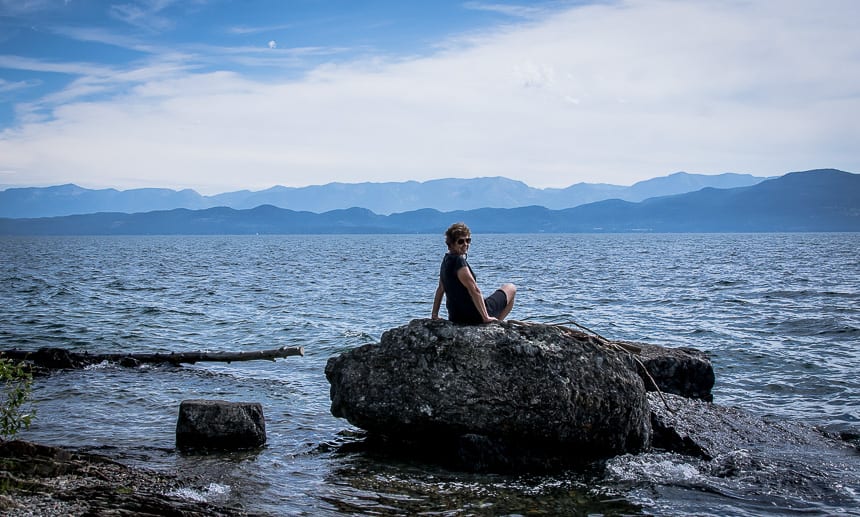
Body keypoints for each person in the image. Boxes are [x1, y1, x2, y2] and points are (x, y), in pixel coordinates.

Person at [431, 222, 516, 324]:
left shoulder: (446, 261)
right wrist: (485, 317)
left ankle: (495, 323)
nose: (465, 244)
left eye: (468, 240)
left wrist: (434, 314)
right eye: (461, 241)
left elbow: (441, 288)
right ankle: (495, 323)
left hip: (456, 317)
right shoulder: (459, 262)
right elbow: (474, 290)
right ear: (451, 245)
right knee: (511, 288)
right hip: (474, 316)